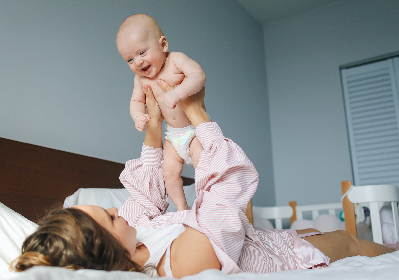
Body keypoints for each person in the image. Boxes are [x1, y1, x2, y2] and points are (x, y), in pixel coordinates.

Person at [11, 81, 396, 278]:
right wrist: (199, 117)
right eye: (113, 219)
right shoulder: (181, 263)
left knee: (310, 226)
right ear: (114, 255)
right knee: (347, 240)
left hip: (269, 239)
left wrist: (154, 128)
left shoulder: (138, 235)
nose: (121, 214)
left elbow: (144, 198)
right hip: (286, 258)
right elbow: (220, 201)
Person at [116, 14, 206, 211]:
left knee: (204, 166)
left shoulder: (176, 60)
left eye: (142, 52)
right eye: (130, 60)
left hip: (194, 131)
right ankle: (183, 208)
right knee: (169, 172)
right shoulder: (140, 80)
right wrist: (138, 116)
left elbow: (198, 75)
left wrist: (177, 93)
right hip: (173, 136)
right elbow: (136, 101)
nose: (138, 62)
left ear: (163, 44)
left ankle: (206, 204)